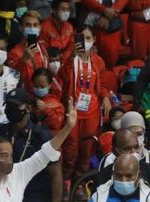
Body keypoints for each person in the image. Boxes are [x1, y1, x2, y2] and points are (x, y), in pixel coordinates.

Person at [57, 25, 111, 189]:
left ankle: (80, 184)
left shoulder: (98, 61)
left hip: (92, 112)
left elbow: (100, 84)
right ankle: (66, 182)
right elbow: (62, 79)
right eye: (81, 38)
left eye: (88, 38)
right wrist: (71, 57)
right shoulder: (69, 59)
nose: (85, 42)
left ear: (93, 40)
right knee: (70, 149)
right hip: (73, 111)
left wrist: (105, 96)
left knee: (87, 149)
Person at [94, 128, 150, 202]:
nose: (133, 152)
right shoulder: (103, 176)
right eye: (127, 149)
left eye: (136, 147)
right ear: (115, 151)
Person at [8, 10, 49, 92]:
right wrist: (23, 60)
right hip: (24, 96)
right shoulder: (14, 52)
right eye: (28, 25)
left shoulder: (42, 48)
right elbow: (11, 77)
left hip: (41, 94)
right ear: (20, 28)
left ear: (40, 27)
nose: (32, 28)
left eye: (35, 25)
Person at [81, 0, 126, 68]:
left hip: (112, 24)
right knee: (86, 61)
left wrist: (110, 14)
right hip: (89, 23)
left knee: (110, 61)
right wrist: (104, 10)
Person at [32, 67, 64, 133]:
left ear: (49, 85)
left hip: (49, 139)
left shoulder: (56, 104)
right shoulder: (29, 100)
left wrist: (46, 110)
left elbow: (57, 124)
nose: (39, 88)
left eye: (42, 86)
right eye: (36, 86)